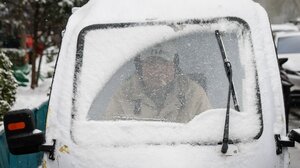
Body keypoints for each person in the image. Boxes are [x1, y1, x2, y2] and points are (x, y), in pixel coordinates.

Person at [101, 44, 211, 123]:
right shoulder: (124, 95)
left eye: (164, 62)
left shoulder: (194, 94)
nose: (158, 70)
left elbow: (207, 134)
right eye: (151, 62)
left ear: (174, 66)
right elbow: (109, 136)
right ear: (140, 67)